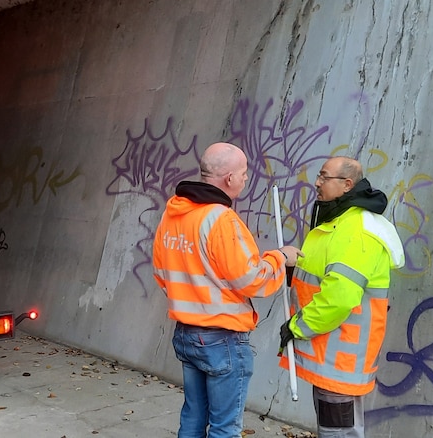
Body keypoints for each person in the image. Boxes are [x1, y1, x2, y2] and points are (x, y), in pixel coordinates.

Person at [153, 142, 302, 438]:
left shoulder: (174, 214)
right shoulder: (221, 220)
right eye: (244, 173)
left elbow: (162, 272)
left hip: (186, 332)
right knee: (224, 427)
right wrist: (281, 257)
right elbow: (252, 279)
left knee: (193, 416)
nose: (246, 179)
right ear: (230, 178)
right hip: (221, 338)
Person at [278, 156, 405, 438]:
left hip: (340, 359)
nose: (317, 183)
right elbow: (322, 277)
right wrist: (292, 271)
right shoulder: (339, 223)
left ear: (347, 184)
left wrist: (297, 327)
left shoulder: (355, 231)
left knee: (338, 434)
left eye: (324, 177)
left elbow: (340, 297)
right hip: (332, 354)